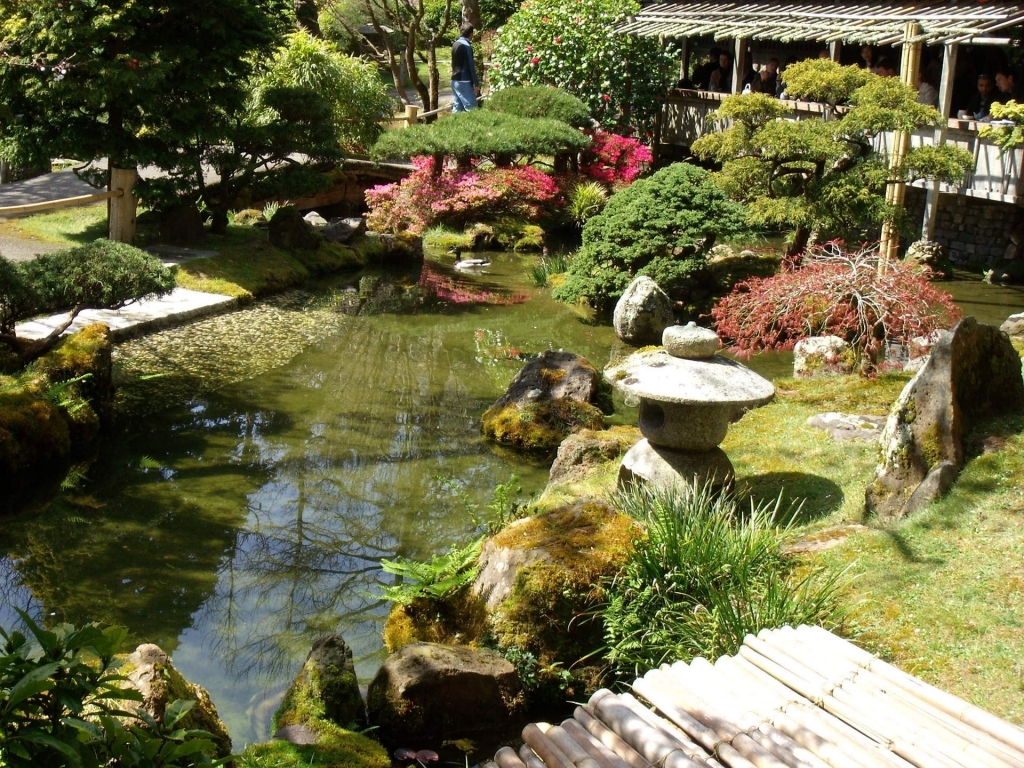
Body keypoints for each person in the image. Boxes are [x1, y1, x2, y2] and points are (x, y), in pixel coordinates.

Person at [451, 24, 479, 112]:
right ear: (471, 34)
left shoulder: (455, 44)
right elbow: (471, 66)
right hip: (464, 81)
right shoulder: (466, 46)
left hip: (454, 80)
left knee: (457, 108)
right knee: (472, 109)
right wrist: (476, 83)